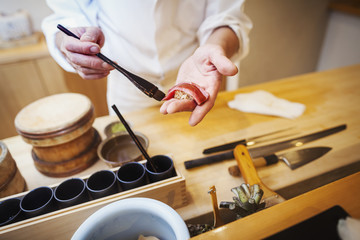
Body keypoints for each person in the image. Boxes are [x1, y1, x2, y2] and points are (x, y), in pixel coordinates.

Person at [42, 0, 252, 126]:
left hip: (201, 76)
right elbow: (67, 13)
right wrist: (69, 44)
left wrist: (216, 47)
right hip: (126, 85)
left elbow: (226, 15)